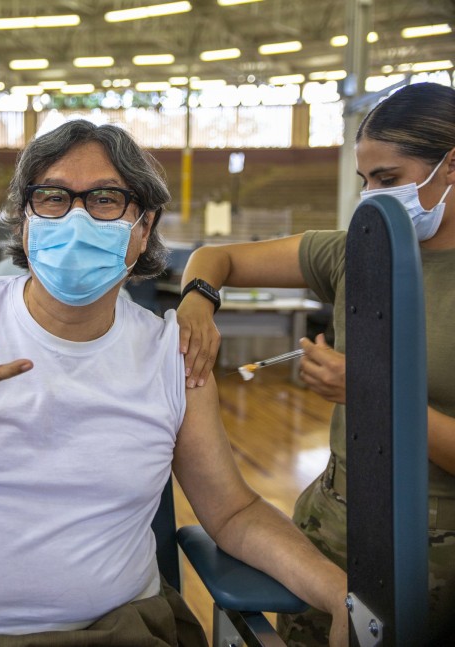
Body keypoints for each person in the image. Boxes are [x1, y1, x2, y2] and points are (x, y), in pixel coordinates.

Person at [0, 120, 348, 647]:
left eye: (105, 199)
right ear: (25, 221)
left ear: (143, 229)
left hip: (118, 632)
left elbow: (232, 512)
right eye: (52, 197)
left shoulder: (171, 352)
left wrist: (338, 593)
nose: (75, 216)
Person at [175, 82, 455, 645]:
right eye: (365, 181)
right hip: (331, 521)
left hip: (434, 550)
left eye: (389, 179)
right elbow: (217, 256)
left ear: (450, 167)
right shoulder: (356, 251)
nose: (372, 196)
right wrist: (198, 301)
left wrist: (375, 392)